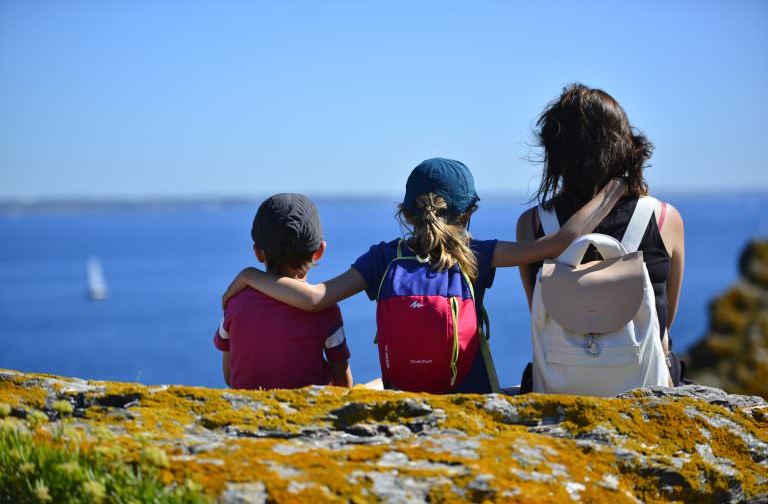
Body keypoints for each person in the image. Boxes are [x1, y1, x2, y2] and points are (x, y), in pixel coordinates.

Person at [222, 158, 627, 394]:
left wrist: (248, 275)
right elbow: (562, 241)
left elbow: (314, 298)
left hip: (406, 399)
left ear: (407, 213)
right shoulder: (478, 254)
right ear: (468, 214)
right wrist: (614, 189)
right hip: (473, 395)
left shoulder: (383, 258)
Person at [517, 83, 685, 389]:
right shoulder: (663, 219)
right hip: (645, 390)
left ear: (557, 153)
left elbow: (538, 313)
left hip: (559, 390)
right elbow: (665, 319)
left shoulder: (532, 224)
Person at [214, 193, 353, 390]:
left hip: (249, 408)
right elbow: (343, 385)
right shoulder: (326, 310)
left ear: (258, 252)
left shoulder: (235, 302)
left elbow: (230, 376)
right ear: (319, 251)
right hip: (308, 413)